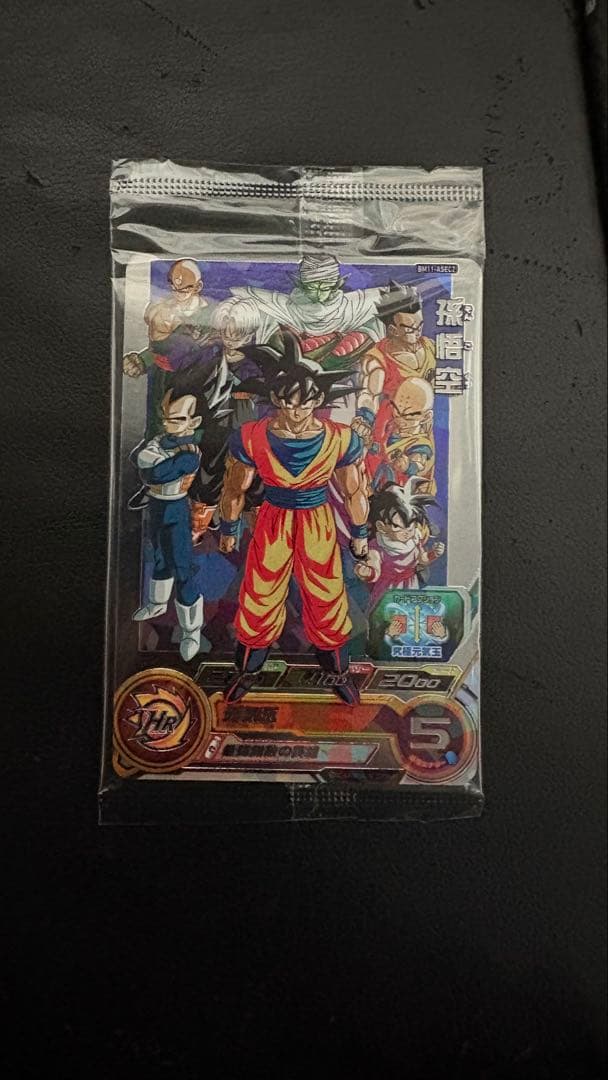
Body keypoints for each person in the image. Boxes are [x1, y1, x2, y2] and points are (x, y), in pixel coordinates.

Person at [218, 334, 369, 705]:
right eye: (288, 401)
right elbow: (235, 488)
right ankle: (247, 672)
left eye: (304, 401)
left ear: (318, 400)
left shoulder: (340, 438)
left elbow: (354, 491)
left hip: (317, 520)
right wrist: (230, 527)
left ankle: (337, 672)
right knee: (260, 593)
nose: (296, 410)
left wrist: (360, 532)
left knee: (326, 594)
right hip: (273, 519)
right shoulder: (252, 436)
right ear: (275, 398)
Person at [132, 388, 205, 661]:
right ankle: (157, 603)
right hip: (156, 505)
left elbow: (156, 473)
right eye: (166, 418)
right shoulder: (162, 440)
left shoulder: (189, 452)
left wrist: (152, 461)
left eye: (176, 419)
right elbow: (139, 460)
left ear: (193, 422)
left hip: (176, 508)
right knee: (160, 557)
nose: (168, 424)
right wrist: (150, 462)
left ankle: (190, 631)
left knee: (182, 567)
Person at [354, 482, 444, 605]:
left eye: (410, 525)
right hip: (387, 593)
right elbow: (375, 571)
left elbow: (422, 559)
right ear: (381, 527)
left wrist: (433, 554)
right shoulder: (378, 547)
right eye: (398, 527)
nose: (406, 532)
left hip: (410, 589)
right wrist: (367, 573)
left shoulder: (414, 541)